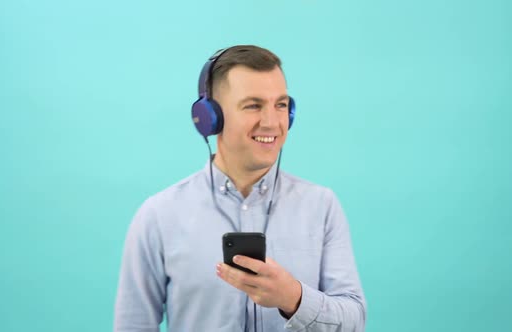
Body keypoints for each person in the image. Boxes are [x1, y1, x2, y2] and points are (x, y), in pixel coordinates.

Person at [114, 45, 367, 332]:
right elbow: (133, 325)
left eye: (281, 105)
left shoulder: (322, 206)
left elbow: (354, 320)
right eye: (253, 105)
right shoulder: (158, 216)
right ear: (210, 117)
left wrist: (293, 297)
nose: (272, 122)